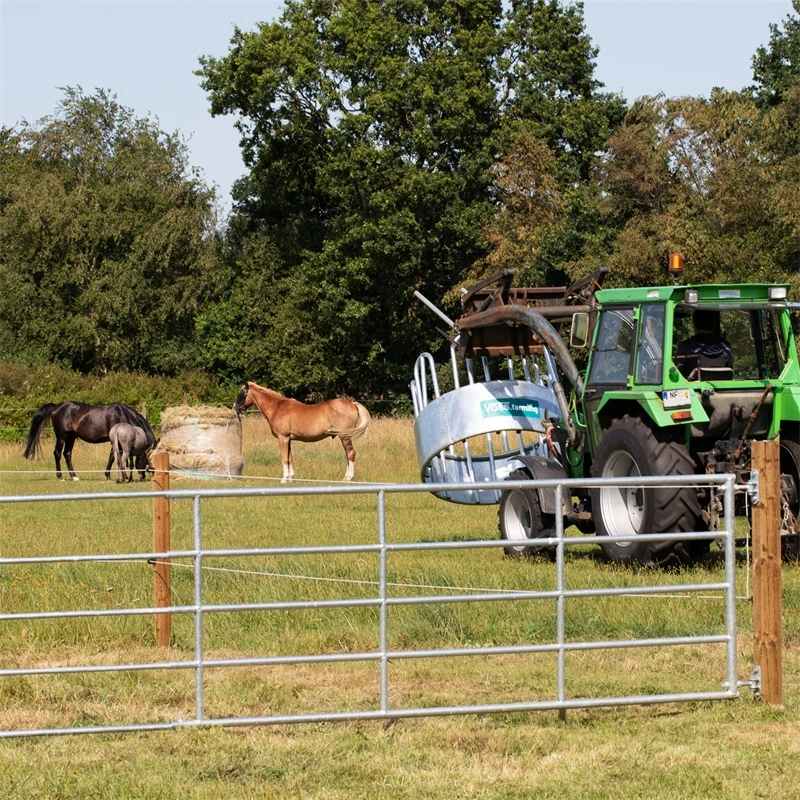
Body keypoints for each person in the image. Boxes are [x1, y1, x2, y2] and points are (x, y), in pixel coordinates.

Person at [675, 309, 733, 378]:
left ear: (694, 324)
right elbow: (730, 367)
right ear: (714, 324)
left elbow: (678, 373)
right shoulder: (726, 347)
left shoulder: (686, 346)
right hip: (724, 388)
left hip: (693, 387)